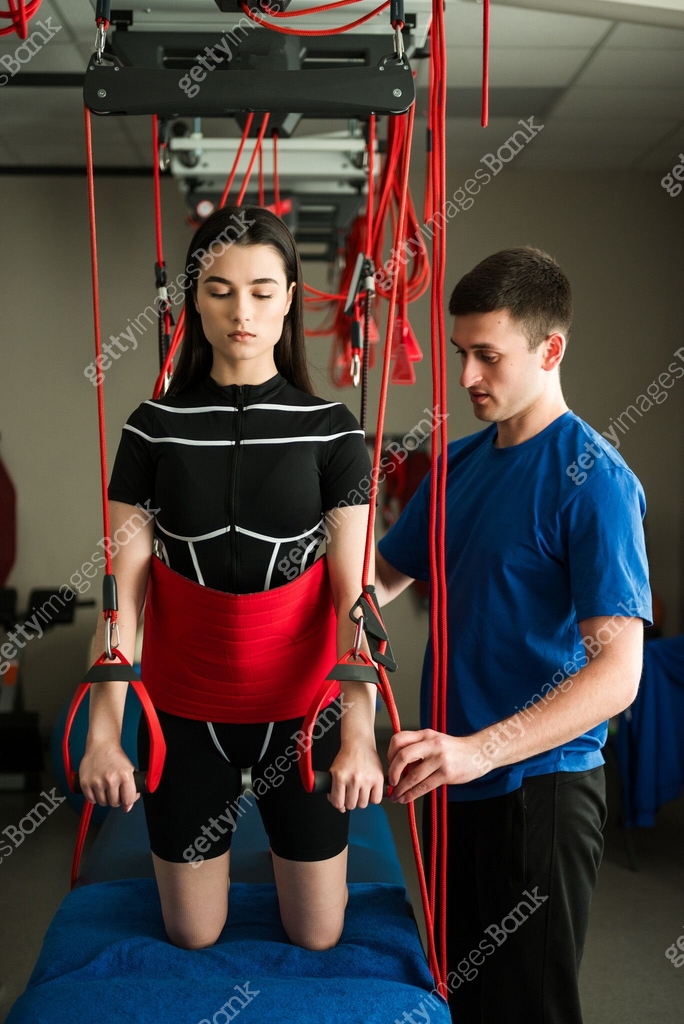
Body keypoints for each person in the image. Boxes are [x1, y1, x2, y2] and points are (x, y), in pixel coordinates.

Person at [78, 205, 384, 952]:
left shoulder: (335, 431)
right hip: (186, 710)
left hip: (303, 709)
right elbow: (122, 592)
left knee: (318, 934)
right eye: (218, 290)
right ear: (194, 300)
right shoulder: (151, 429)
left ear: (289, 297)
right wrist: (103, 736)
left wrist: (362, 735)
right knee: (193, 933)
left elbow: (357, 598)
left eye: (260, 289)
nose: (240, 311)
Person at [373, 247, 652, 1023]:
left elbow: (618, 674)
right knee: (458, 1003)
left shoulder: (594, 479)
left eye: (488, 357)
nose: (466, 378)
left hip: (539, 793)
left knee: (524, 1011)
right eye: (462, 354)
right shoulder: (457, 467)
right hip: (449, 787)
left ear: (550, 350)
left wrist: (475, 751)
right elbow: (375, 585)